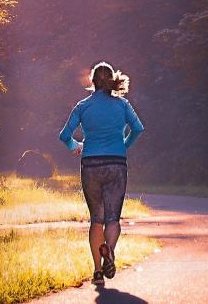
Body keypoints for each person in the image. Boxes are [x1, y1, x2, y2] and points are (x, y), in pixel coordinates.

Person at [59, 61, 145, 286]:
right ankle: (110, 251)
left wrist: (75, 146)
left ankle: (98, 272)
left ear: (92, 81)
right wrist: (124, 144)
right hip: (116, 163)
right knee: (113, 218)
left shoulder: (82, 106)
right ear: (111, 80)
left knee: (96, 219)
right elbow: (138, 128)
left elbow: (64, 135)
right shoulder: (122, 105)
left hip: (90, 164)